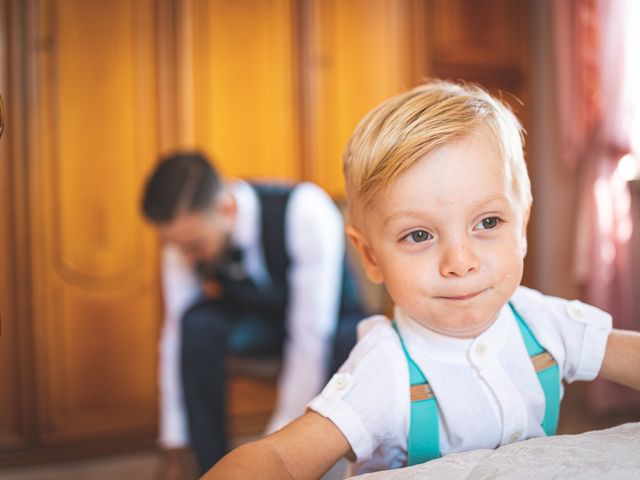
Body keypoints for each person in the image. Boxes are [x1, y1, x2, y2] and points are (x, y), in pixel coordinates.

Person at [202, 80, 640, 479]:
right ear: (371, 257)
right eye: (419, 235)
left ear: (521, 225)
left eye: (488, 222)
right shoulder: (386, 368)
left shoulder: (543, 321)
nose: (460, 261)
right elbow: (279, 458)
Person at [140, 152, 365, 477]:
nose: (186, 258)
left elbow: (310, 335)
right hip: (263, 325)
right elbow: (174, 334)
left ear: (226, 209)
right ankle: (210, 467)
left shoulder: (306, 210)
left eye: (196, 245)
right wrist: (173, 441)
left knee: (349, 337)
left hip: (329, 327)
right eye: (177, 247)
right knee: (196, 325)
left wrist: (274, 452)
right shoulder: (184, 239)